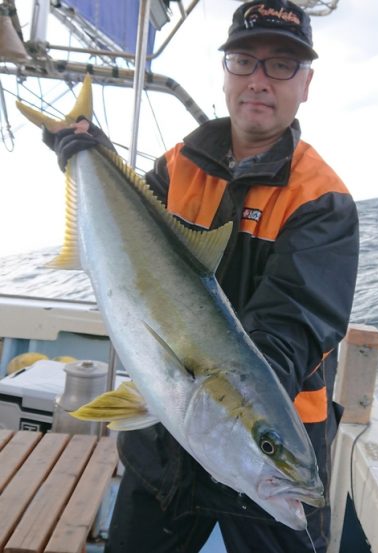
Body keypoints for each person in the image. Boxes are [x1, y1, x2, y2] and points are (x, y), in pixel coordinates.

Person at [44, 1, 359, 551]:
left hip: (274, 443)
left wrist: (239, 416)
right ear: (226, 73)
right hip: (164, 437)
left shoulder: (322, 200)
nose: (259, 80)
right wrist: (87, 155)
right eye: (244, 61)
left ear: (305, 83)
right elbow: (124, 241)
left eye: (281, 65)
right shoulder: (176, 166)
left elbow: (292, 328)